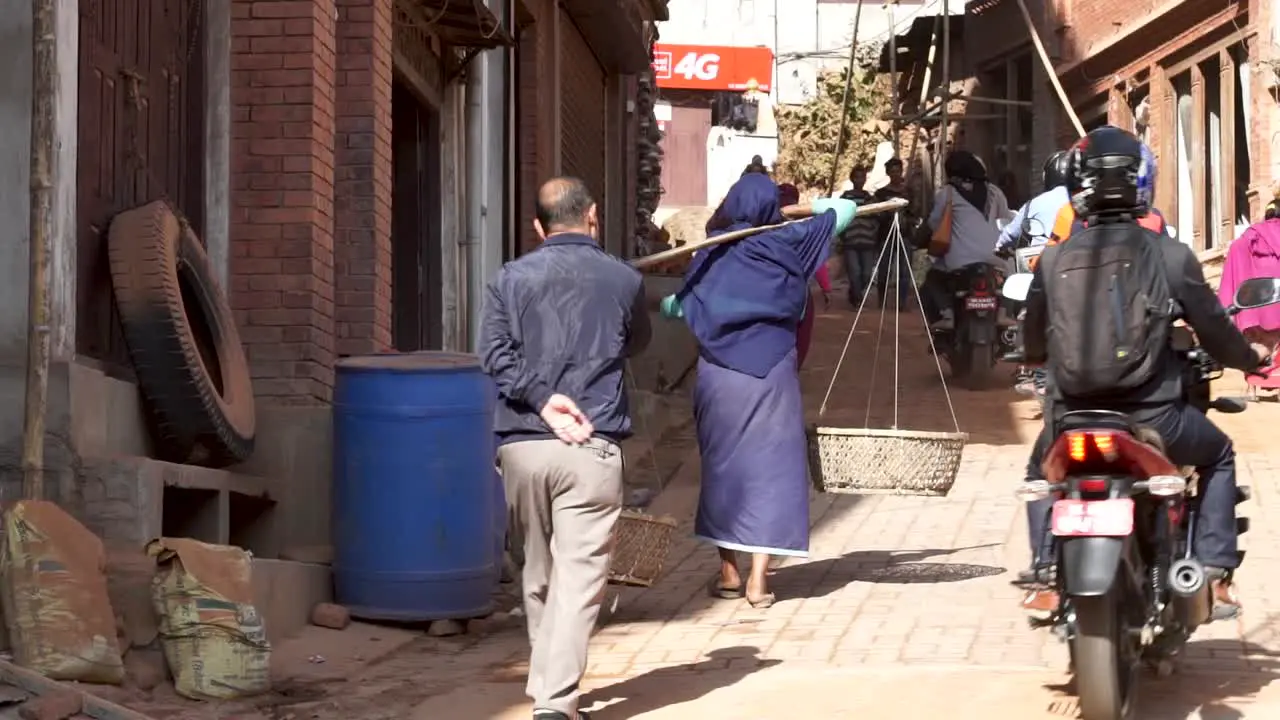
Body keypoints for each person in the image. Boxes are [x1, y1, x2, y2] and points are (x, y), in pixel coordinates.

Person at [1017, 127, 1269, 617]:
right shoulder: (1171, 255)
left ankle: (1046, 572)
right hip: (1156, 418)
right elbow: (1215, 328)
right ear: (1141, 185)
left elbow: (1033, 334)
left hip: (1069, 416)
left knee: (1038, 472)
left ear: (1077, 186)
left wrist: (1032, 359)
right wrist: (1250, 359)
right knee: (1218, 456)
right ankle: (1215, 574)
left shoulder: (1053, 258)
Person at [481, 177, 651, 720]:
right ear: (593, 215)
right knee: (578, 581)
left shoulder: (509, 279)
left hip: (523, 447)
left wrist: (540, 395)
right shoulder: (623, 280)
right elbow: (638, 342)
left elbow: (492, 354)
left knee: (535, 572)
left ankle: (547, 685)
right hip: (592, 445)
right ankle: (554, 699)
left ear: (538, 227)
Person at [660, 173, 857, 608]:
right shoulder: (790, 242)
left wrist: (674, 306)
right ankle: (759, 581)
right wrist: (797, 213)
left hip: (719, 377)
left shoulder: (710, 253)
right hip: (772, 375)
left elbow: (683, 304)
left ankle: (728, 573)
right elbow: (843, 210)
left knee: (724, 470)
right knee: (773, 473)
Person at [917, 151, 1007, 329]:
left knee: (933, 279)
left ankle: (947, 315)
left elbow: (934, 224)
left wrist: (920, 239)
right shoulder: (995, 192)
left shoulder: (948, 193)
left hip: (959, 262)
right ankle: (1003, 314)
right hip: (994, 258)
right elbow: (1005, 221)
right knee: (1011, 281)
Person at [1218, 194, 1280, 398]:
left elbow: (1236, 249)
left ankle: (1253, 386)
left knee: (1256, 344)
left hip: (1257, 301)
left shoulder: (1253, 234)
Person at [778, 182, 833, 368]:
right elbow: (818, 264)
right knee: (800, 334)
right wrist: (826, 288)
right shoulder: (803, 226)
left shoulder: (760, 225)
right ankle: (793, 368)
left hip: (768, 287)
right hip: (798, 290)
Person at [995, 151, 1071, 256]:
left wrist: (999, 247)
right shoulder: (1085, 201)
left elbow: (1009, 236)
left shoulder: (1034, 204)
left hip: (1041, 265)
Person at [874, 158, 916, 310]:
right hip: (886, 235)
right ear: (888, 173)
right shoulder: (881, 193)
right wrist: (887, 212)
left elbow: (916, 212)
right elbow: (876, 215)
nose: (895, 174)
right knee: (884, 270)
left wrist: (908, 218)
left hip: (905, 235)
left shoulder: (909, 192)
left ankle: (902, 303)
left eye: (898, 171)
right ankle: (882, 301)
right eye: (892, 172)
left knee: (905, 271)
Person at [839, 167, 880, 306]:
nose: (860, 180)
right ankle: (857, 300)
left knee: (867, 275)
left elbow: (877, 218)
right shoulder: (845, 197)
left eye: (862, 177)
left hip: (868, 242)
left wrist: (873, 232)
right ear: (852, 179)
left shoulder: (870, 198)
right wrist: (843, 235)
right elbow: (839, 217)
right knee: (855, 272)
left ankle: (854, 292)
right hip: (850, 242)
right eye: (857, 177)